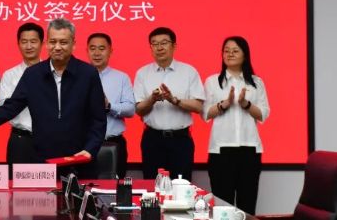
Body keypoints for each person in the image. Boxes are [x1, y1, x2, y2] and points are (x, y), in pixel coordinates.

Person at [0, 18, 107, 178]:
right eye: (53, 42)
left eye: (63, 42)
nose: (57, 47)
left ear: (73, 43)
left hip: (80, 158)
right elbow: (11, 107)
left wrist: (90, 149)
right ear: (46, 43)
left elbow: (98, 119)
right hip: (43, 161)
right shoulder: (33, 74)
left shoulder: (88, 74)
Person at [204, 36, 270, 215]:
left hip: (250, 149)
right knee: (222, 208)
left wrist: (245, 104)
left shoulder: (256, 82)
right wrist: (224, 104)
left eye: (235, 51)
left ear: (245, 55)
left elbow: (263, 114)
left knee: (247, 205)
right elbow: (205, 113)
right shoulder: (212, 81)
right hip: (221, 151)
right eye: (226, 51)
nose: (230, 54)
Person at [133, 27, 204, 181]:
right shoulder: (142, 73)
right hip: (153, 139)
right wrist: (152, 99)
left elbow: (199, 107)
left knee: (181, 186)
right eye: (155, 44)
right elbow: (138, 110)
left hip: (180, 140)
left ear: (174, 46)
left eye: (164, 43)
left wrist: (174, 100)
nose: (159, 47)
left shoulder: (189, 71)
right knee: (152, 186)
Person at [87, 32, 135, 178]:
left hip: (114, 142)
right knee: (84, 185)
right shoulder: (78, 76)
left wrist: (109, 106)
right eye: (92, 48)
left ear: (110, 51)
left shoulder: (121, 78)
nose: (97, 53)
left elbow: (131, 109)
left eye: (102, 48)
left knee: (116, 186)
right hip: (85, 144)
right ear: (87, 51)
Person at [0, 22, 44, 165]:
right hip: (20, 139)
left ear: (42, 43)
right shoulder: (10, 75)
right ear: (18, 44)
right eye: (24, 42)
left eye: (33, 41)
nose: (29, 46)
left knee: (50, 179)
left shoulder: (53, 73)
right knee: (16, 179)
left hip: (48, 139)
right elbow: (3, 107)